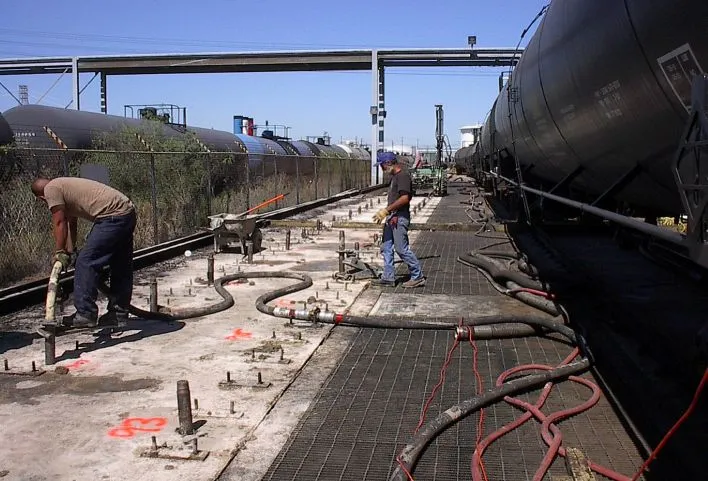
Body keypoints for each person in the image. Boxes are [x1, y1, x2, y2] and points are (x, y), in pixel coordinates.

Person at [31, 176, 137, 328]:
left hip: (111, 217)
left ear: (41, 198)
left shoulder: (50, 190)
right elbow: (71, 223)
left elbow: (59, 222)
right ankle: (118, 314)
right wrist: (70, 250)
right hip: (126, 213)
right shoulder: (63, 186)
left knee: (86, 262)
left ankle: (85, 313)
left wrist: (59, 251)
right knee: (120, 265)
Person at [371, 151, 426, 288]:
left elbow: (405, 198)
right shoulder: (395, 177)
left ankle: (417, 276)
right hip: (392, 217)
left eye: (382, 166)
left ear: (388, 163)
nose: (382, 169)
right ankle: (388, 277)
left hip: (399, 217)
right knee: (386, 247)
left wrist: (386, 210)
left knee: (401, 249)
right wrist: (387, 213)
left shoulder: (402, 177)